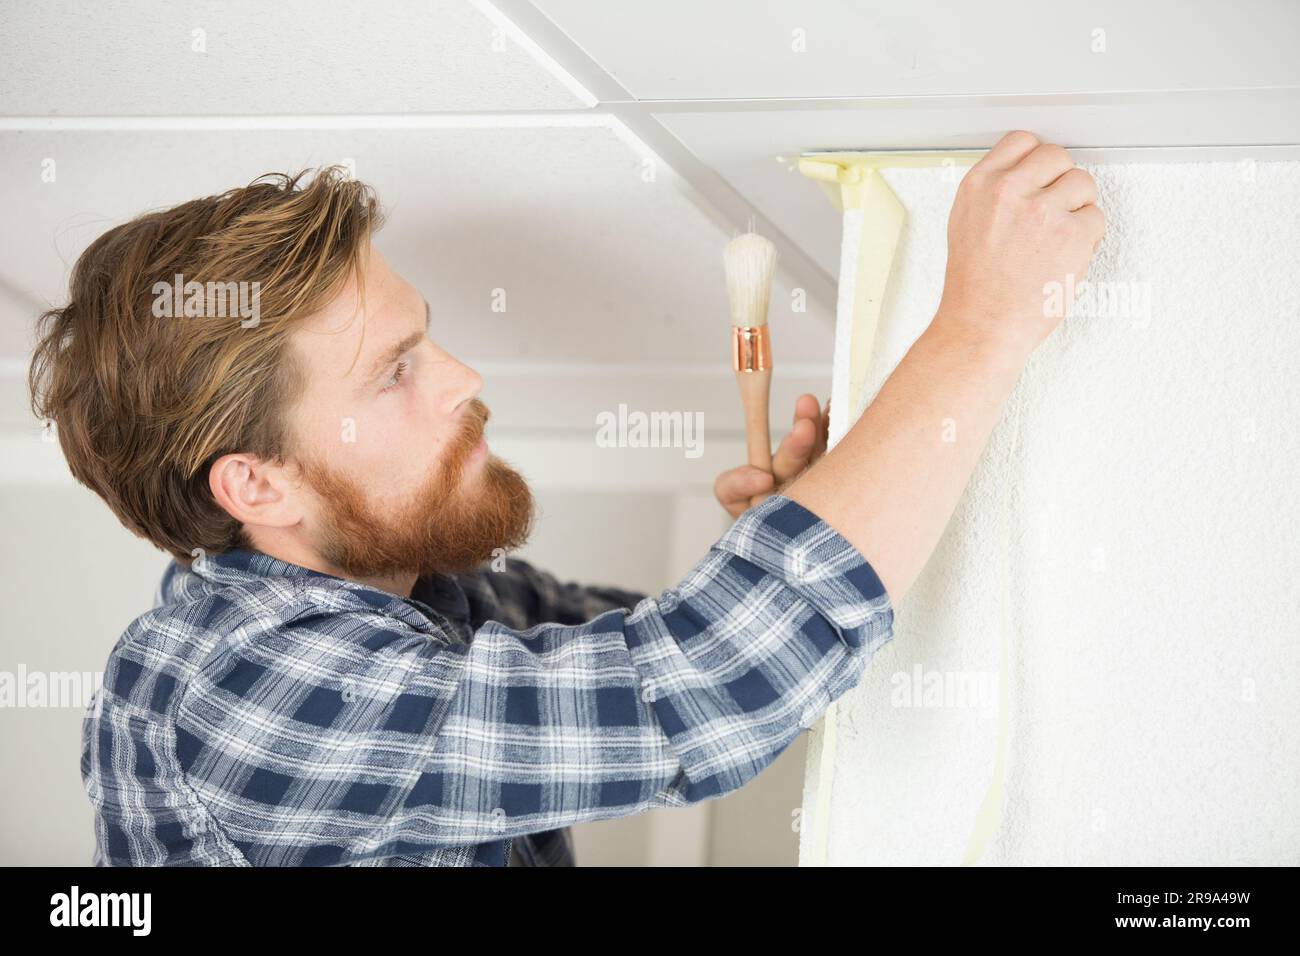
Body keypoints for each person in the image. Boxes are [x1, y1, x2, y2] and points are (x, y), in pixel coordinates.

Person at [30, 130, 1102, 866]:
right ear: (254, 482)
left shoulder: (418, 585)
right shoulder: (249, 695)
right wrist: (982, 325)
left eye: (428, 337)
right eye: (396, 370)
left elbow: (667, 648)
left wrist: (767, 542)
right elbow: (697, 694)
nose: (463, 379)